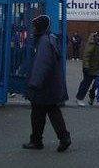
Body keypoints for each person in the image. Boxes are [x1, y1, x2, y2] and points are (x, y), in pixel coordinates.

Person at [23, 15, 71, 152]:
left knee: (38, 113)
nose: (32, 29)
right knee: (52, 111)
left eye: (34, 26)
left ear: (39, 27)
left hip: (43, 85)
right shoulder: (50, 39)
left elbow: (42, 64)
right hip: (51, 84)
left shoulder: (43, 42)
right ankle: (62, 137)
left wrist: (35, 82)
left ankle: (37, 140)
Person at [75, 26, 99, 107]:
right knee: (86, 84)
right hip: (90, 67)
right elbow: (87, 55)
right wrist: (86, 66)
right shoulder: (92, 42)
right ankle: (79, 98)